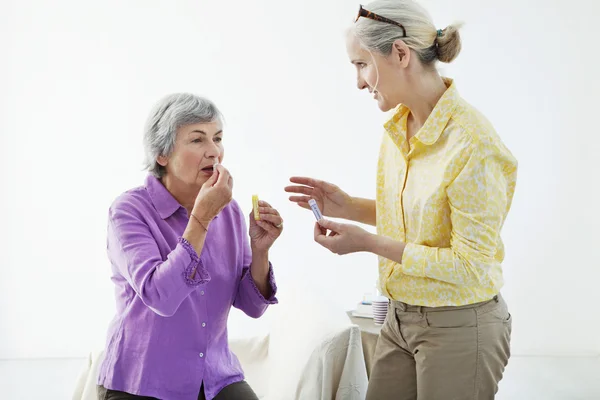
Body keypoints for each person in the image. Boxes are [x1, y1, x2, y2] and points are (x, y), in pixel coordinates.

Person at [285, 1, 517, 399]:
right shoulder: (398, 127)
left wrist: (368, 243)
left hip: (459, 327)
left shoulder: (473, 143)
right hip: (399, 318)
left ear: (400, 54)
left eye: (361, 64)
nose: (359, 82)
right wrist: (347, 205)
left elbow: (472, 266)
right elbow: (423, 220)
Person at [97, 93, 283, 400]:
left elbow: (252, 307)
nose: (215, 152)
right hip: (142, 381)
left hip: (215, 377)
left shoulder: (230, 211)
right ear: (162, 154)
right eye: (197, 140)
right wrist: (202, 217)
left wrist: (260, 250)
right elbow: (161, 297)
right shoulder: (128, 212)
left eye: (218, 138)